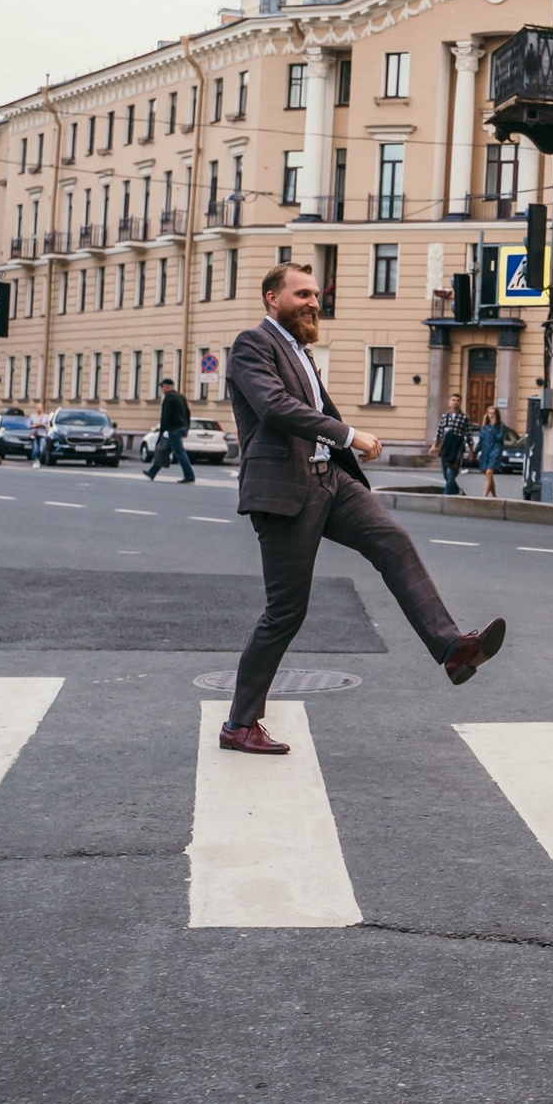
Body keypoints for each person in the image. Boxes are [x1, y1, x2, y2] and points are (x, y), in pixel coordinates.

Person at [218, 263, 506, 756]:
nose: (313, 301)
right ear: (272, 299)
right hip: (285, 492)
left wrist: (342, 448)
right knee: (285, 611)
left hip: (330, 480)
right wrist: (348, 434)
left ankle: (453, 648)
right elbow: (274, 408)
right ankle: (240, 723)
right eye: (302, 293)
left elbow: (320, 411)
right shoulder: (253, 346)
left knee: (393, 541)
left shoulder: (301, 353)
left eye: (316, 294)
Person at [142, 377, 196, 483]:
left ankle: (190, 476)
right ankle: (152, 472)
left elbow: (165, 416)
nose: (162, 389)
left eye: (162, 387)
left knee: (180, 453)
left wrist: (161, 432)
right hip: (181, 427)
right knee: (164, 451)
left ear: (167, 387)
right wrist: (186, 428)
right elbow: (188, 413)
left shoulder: (169, 398)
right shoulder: (181, 397)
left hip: (174, 429)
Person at [434, 394, 472, 495]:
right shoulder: (444, 417)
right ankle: (457, 491)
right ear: (449, 402)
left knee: (451, 473)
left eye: (458, 400)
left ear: (460, 403)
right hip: (445, 447)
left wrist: (471, 452)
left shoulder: (464, 417)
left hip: (457, 448)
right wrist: (434, 445)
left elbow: (469, 434)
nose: (455, 402)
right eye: (453, 400)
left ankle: (446, 497)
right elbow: (439, 432)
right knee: (445, 474)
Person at [475, 405, 505, 499]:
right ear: (487, 414)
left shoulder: (501, 426)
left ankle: (484, 496)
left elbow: (499, 438)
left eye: (493, 413)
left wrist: (493, 427)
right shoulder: (484, 427)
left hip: (494, 452)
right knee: (489, 476)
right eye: (490, 413)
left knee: (489, 473)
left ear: (497, 415)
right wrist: (474, 453)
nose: (491, 415)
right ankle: (495, 496)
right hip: (485, 452)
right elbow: (480, 442)